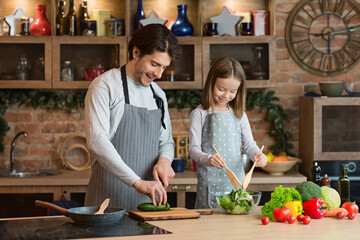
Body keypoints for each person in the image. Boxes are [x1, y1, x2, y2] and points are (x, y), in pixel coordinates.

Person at [84, 24, 181, 211]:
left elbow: (166, 142)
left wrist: (165, 161)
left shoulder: (158, 95)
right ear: (136, 52)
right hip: (107, 200)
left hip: (147, 202)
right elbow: (97, 141)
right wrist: (137, 182)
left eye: (164, 67)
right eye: (154, 64)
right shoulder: (105, 86)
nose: (159, 74)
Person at [189, 56, 267, 209]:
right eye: (221, 89)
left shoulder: (239, 113)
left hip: (236, 185)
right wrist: (208, 158)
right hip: (209, 185)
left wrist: (257, 155)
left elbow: (250, 145)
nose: (226, 95)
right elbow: (193, 150)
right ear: (211, 83)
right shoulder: (199, 113)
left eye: (232, 91)